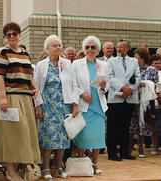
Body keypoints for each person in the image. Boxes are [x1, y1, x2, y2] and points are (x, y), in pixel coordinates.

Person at [0, 22, 41, 181]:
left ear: (19, 35)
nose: (12, 37)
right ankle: (10, 171)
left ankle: (21, 169)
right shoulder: (2, 52)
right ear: (5, 37)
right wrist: (3, 98)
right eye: (9, 34)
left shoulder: (25, 54)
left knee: (25, 135)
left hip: (26, 98)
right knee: (11, 134)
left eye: (15, 33)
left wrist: (35, 88)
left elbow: (29, 76)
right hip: (10, 98)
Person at [34, 35, 78, 180]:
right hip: (47, 107)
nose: (58, 47)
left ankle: (59, 167)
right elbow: (36, 88)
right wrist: (38, 107)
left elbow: (73, 85)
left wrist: (75, 105)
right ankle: (45, 167)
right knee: (47, 138)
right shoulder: (41, 65)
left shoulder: (66, 64)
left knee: (62, 139)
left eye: (59, 45)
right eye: (54, 45)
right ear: (47, 49)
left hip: (63, 106)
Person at [72, 36, 108, 174]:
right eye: (87, 47)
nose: (90, 50)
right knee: (83, 136)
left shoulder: (104, 65)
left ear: (98, 50)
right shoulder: (76, 64)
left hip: (98, 105)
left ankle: (95, 165)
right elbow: (73, 84)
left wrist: (104, 87)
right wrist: (82, 94)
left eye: (93, 47)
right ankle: (82, 164)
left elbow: (107, 85)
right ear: (84, 49)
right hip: (83, 105)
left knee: (97, 136)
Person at [107, 39, 140, 161]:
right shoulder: (111, 61)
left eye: (122, 47)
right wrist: (122, 88)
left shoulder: (134, 61)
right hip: (116, 98)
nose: (119, 49)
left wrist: (130, 89)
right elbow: (109, 77)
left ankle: (125, 151)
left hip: (129, 98)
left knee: (125, 126)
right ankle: (112, 153)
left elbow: (137, 76)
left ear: (128, 49)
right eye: (118, 47)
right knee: (113, 127)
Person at [128, 47, 151, 158]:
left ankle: (141, 147)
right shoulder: (132, 69)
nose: (134, 58)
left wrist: (142, 83)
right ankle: (129, 147)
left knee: (142, 123)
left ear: (142, 58)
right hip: (132, 99)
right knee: (131, 124)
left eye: (136, 57)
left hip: (143, 100)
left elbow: (150, 83)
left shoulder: (149, 69)